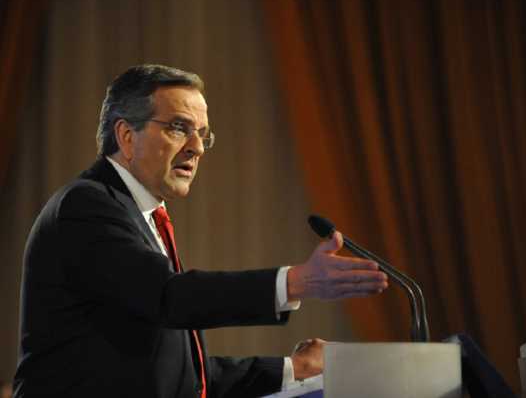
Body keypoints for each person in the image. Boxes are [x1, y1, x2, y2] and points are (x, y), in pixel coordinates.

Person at [13, 64, 388, 398]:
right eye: (179, 128)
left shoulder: (143, 217)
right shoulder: (85, 205)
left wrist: (296, 369)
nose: (197, 149)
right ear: (126, 136)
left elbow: (180, 376)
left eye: (202, 135)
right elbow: (169, 298)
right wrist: (294, 282)